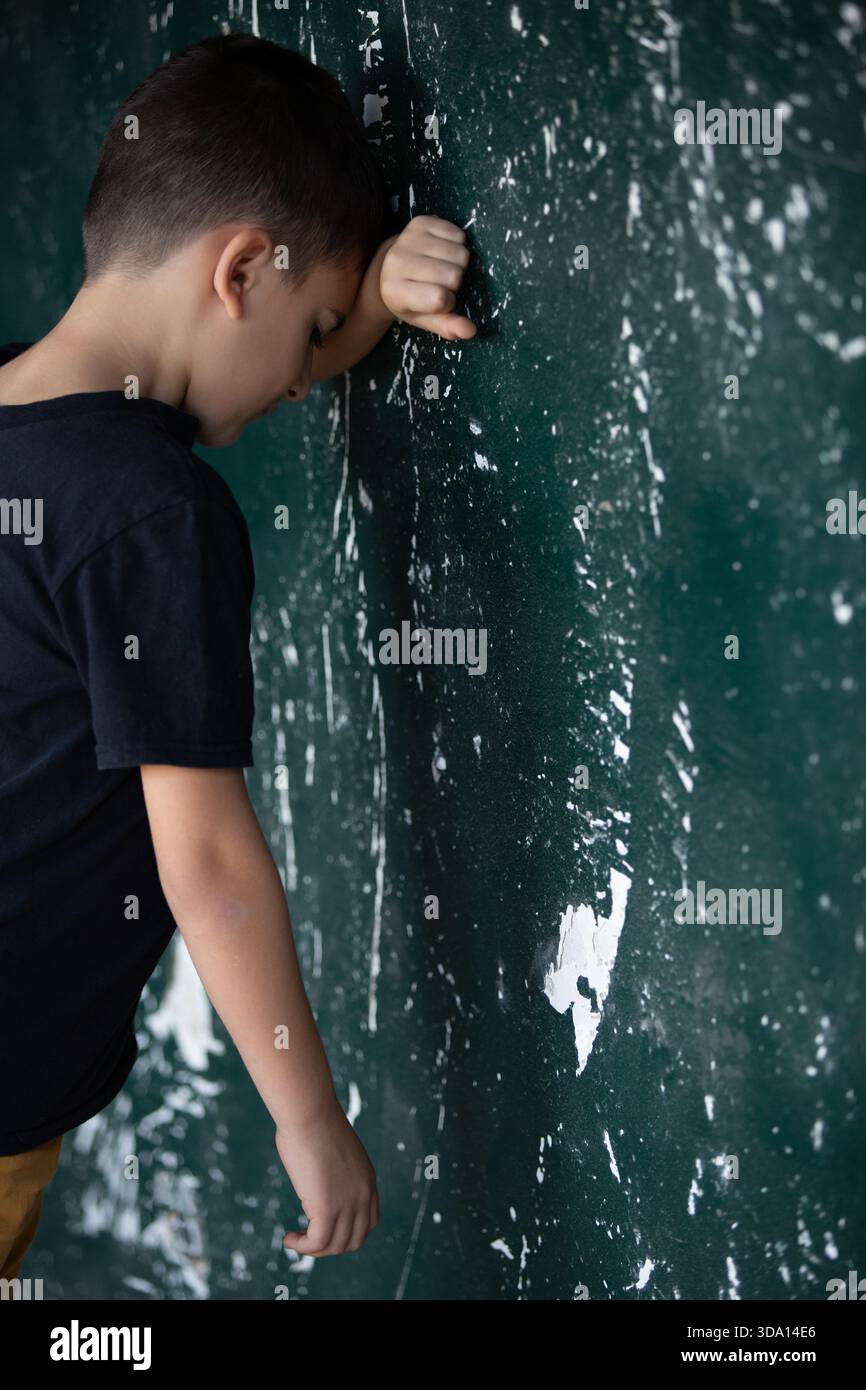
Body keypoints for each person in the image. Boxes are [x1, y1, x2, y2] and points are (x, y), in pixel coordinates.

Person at [0, 30, 475, 1285]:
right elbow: (204, 855)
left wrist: (363, 299)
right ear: (241, 269)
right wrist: (309, 1120)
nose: (306, 380)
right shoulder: (153, 514)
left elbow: (248, 355)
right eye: (313, 327)